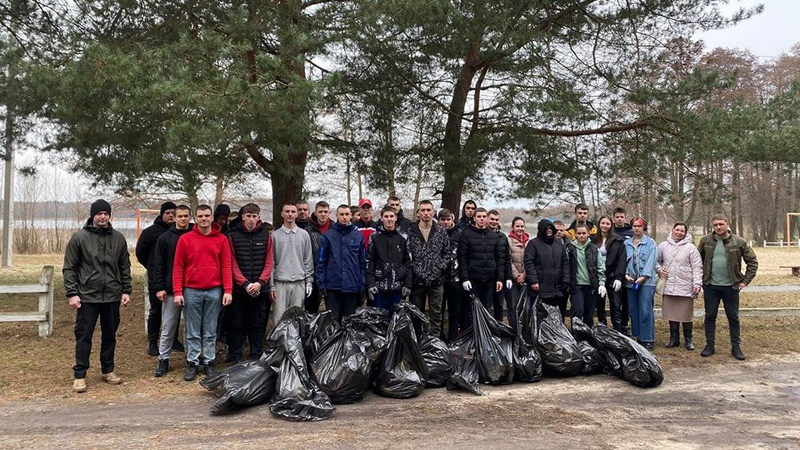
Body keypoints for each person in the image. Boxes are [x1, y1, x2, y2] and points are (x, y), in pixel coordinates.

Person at [63, 199, 132, 393]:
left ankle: (108, 369)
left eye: (106, 213)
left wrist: (126, 290)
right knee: (84, 336)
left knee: (110, 335)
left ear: (110, 216)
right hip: (87, 297)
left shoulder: (118, 238)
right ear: (93, 215)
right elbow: (70, 268)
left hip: (111, 295)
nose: (102, 217)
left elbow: (124, 266)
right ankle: (80, 374)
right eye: (99, 213)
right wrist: (72, 293)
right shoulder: (79, 238)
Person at [172, 204, 233, 381]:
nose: (204, 219)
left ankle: (209, 361)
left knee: (210, 329)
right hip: (191, 290)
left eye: (207, 215)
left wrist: (227, 290)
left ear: (211, 218)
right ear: (195, 218)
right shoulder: (185, 239)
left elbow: (226, 265)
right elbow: (178, 267)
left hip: (215, 290)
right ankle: (193, 362)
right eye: (200, 216)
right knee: (192, 330)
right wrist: (178, 291)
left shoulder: (221, 239)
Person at [698, 214, 758, 360]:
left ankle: (736, 347)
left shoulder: (739, 242)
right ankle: (709, 346)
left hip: (731, 287)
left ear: (727, 224)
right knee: (710, 316)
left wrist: (745, 281)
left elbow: (753, 262)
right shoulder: (705, 241)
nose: (718, 227)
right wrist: (700, 279)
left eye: (721, 224)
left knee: (733, 317)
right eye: (715, 225)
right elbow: (697, 261)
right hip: (710, 286)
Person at [149, 204, 194, 377]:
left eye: (186, 216)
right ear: (174, 218)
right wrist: (159, 287)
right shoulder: (165, 238)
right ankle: (163, 359)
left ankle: (191, 359)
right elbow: (157, 264)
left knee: (191, 327)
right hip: (170, 290)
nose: (183, 219)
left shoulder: (194, 236)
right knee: (168, 326)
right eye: (180, 216)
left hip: (191, 288)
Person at [227, 203, 274, 363]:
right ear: (243, 217)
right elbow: (232, 262)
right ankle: (236, 354)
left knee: (258, 322)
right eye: (248, 216)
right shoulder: (233, 235)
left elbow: (269, 261)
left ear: (259, 217)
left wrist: (260, 282)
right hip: (240, 289)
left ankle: (256, 353)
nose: (251, 220)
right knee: (237, 322)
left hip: (260, 288)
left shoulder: (266, 235)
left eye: (254, 216)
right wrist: (245, 284)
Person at [135, 201, 178, 357]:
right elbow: (140, 253)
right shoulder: (150, 232)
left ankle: (174, 340)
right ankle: (153, 342)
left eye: (174, 213)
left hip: (175, 277)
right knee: (155, 310)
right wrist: (152, 267)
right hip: (157, 277)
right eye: (168, 213)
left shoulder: (179, 232)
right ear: (162, 214)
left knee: (175, 308)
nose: (171, 216)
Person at [407, 200, 451, 336]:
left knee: (436, 314)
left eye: (428, 210)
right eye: (423, 210)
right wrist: (416, 270)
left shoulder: (441, 231)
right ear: (418, 213)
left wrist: (439, 268)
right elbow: (407, 254)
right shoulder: (410, 231)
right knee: (416, 314)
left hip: (436, 280)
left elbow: (447, 253)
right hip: (417, 280)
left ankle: (435, 343)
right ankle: (417, 342)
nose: (426, 213)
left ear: (433, 212)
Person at [657, 222, 702, 350]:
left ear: (685, 233)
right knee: (672, 314)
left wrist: (697, 283)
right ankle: (674, 338)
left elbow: (697, 267)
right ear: (672, 230)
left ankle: (688, 340)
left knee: (686, 315)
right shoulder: (663, 246)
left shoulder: (691, 248)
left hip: (686, 286)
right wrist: (659, 270)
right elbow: (655, 261)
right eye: (677, 230)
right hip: (669, 285)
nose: (679, 233)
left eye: (682, 231)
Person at [317, 204, 366, 322]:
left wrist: (363, 283)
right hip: (333, 286)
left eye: (347, 214)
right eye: (342, 214)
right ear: (336, 215)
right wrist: (321, 284)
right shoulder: (328, 236)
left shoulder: (358, 236)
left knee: (350, 322)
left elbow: (363, 262)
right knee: (333, 323)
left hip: (352, 286)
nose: (344, 217)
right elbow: (321, 262)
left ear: (351, 216)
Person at [270, 203, 314, 323]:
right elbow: (271, 262)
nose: (290, 214)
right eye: (287, 211)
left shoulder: (304, 235)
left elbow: (308, 259)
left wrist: (309, 281)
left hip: (299, 282)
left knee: (297, 318)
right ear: (282, 214)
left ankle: (295, 341)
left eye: (293, 212)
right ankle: (279, 342)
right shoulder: (275, 236)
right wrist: (271, 285)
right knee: (279, 318)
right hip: (280, 282)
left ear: (296, 214)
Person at [458, 208, 504, 318]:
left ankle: (486, 334)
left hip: (490, 279)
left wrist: (500, 278)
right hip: (473, 278)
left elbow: (499, 259)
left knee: (487, 309)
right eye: (479, 217)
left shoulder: (494, 237)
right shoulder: (466, 235)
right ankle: (473, 333)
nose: (482, 219)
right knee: (472, 309)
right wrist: (465, 278)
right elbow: (462, 258)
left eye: (484, 217)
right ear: (474, 218)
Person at [367, 206, 412, 311]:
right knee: (380, 319)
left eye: (391, 216)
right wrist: (370, 284)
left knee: (396, 319)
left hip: (398, 286)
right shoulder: (374, 237)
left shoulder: (404, 236)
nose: (389, 219)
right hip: (379, 286)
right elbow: (370, 261)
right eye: (386, 216)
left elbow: (409, 262)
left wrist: (408, 284)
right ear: (381, 218)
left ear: (396, 217)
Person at [524, 220, 570, 320]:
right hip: (540, 285)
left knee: (557, 313)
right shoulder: (533, 244)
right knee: (541, 313)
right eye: (546, 229)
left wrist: (566, 279)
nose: (549, 231)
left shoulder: (558, 243)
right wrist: (534, 280)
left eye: (550, 228)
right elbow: (529, 262)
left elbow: (565, 262)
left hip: (557, 285)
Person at [624, 217, 658, 350]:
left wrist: (644, 276)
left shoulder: (650, 243)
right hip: (630, 282)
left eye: (639, 226)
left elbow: (651, 261)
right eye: (634, 226)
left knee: (645, 310)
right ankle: (637, 336)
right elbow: (623, 261)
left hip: (646, 282)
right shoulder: (626, 244)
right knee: (633, 310)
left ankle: (648, 338)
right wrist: (625, 275)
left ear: (644, 227)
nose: (636, 228)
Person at [591, 215, 626, 332]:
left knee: (615, 305)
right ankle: (603, 331)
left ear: (611, 226)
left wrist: (619, 277)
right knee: (599, 305)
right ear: (599, 224)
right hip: (597, 276)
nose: (605, 226)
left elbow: (621, 260)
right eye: (602, 223)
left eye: (607, 224)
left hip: (612, 276)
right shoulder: (592, 239)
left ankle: (618, 332)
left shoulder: (618, 240)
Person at [567, 224, 606, 326]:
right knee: (577, 311)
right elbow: (566, 266)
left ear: (588, 234)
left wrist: (601, 283)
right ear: (575, 234)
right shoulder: (570, 249)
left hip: (591, 285)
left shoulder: (594, 249)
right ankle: (577, 335)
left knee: (589, 315)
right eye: (579, 233)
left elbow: (600, 267)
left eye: (584, 233)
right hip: (576, 286)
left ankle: (587, 337)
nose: (581, 236)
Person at [438, 208, 465, 340]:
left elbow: (464, 255)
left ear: (452, 219)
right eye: (443, 220)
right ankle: (440, 337)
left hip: (456, 278)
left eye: (448, 219)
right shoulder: (435, 234)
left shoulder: (460, 234)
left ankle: (454, 337)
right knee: (439, 311)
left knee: (455, 311)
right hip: (439, 279)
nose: (445, 222)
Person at [305, 201, 332, 313]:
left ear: (329, 213)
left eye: (325, 212)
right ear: (315, 213)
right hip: (314, 273)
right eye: (320, 212)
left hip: (331, 274)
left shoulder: (334, 228)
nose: (323, 214)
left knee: (331, 310)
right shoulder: (307, 230)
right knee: (311, 310)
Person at [487, 209, 513, 322]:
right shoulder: (482, 235)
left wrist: (508, 277)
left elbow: (506, 258)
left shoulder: (503, 237)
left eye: (496, 219)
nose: (494, 221)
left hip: (500, 277)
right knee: (486, 306)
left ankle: (498, 331)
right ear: (487, 219)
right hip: (486, 278)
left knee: (499, 306)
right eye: (492, 219)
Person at [508, 218, 530, 314]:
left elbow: (531, 260)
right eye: (517, 226)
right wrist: (517, 276)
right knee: (513, 306)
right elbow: (508, 260)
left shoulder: (529, 242)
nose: (520, 228)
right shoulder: (508, 241)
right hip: (513, 280)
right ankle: (514, 328)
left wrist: (524, 274)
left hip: (526, 279)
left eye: (522, 226)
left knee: (526, 307)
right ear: (513, 227)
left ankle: (524, 328)